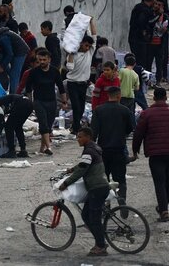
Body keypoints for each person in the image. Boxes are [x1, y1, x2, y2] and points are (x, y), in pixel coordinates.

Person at [132, 88, 169, 222]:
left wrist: (135, 149)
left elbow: (138, 133)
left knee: (159, 182)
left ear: (154, 98)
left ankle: (163, 209)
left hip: (155, 154)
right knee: (167, 181)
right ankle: (163, 207)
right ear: (165, 98)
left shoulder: (146, 114)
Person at [58, 128, 110, 257]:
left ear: (88, 137)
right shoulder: (94, 148)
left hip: (97, 188)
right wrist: (71, 169)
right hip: (101, 186)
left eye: (80, 137)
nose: (78, 139)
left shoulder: (88, 151)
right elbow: (83, 165)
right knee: (86, 215)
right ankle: (101, 240)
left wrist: (66, 183)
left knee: (94, 218)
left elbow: (81, 170)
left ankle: (101, 246)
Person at [91, 86, 134, 209]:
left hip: (103, 150)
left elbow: (94, 132)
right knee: (120, 179)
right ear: (119, 96)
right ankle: (122, 202)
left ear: (107, 96)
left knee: (104, 180)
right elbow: (130, 128)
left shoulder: (99, 110)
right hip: (119, 149)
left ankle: (106, 205)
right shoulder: (125, 110)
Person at [25, 49, 67, 155]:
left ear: (49, 59)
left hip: (52, 102)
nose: (42, 62)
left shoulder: (54, 71)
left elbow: (61, 88)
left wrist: (64, 101)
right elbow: (28, 88)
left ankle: (42, 148)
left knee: (48, 126)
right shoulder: (33, 72)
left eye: (44, 59)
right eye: (40, 60)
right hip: (39, 101)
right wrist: (30, 102)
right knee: (43, 124)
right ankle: (49, 147)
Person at [65, 34, 96, 134]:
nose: (87, 48)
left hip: (83, 84)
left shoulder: (90, 53)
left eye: (89, 46)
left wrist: (91, 21)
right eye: (86, 45)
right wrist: (70, 54)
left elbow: (94, 36)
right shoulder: (73, 55)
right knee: (76, 106)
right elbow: (69, 67)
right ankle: (77, 128)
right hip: (72, 83)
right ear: (81, 43)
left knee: (81, 107)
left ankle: (75, 126)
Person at [0, 27, 29, 93]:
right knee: (12, 74)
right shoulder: (3, 35)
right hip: (16, 51)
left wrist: (2, 66)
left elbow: (9, 54)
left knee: (14, 75)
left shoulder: (3, 38)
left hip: (20, 52)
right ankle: (13, 92)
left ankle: (14, 96)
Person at [128, 0, 156, 67]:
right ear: (153, 0)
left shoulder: (138, 7)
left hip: (134, 38)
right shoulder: (145, 9)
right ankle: (140, 78)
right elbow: (145, 22)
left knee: (138, 60)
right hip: (140, 40)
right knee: (142, 62)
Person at [149, 0, 169, 82]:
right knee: (149, 58)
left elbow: (167, 14)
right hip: (151, 38)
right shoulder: (148, 2)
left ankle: (162, 77)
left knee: (162, 56)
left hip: (162, 36)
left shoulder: (163, 0)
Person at [118, 56, 139, 122]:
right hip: (131, 96)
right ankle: (131, 128)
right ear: (134, 64)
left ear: (125, 63)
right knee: (130, 114)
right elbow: (137, 88)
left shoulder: (122, 71)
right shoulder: (135, 74)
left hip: (121, 96)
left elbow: (118, 81)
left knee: (121, 114)